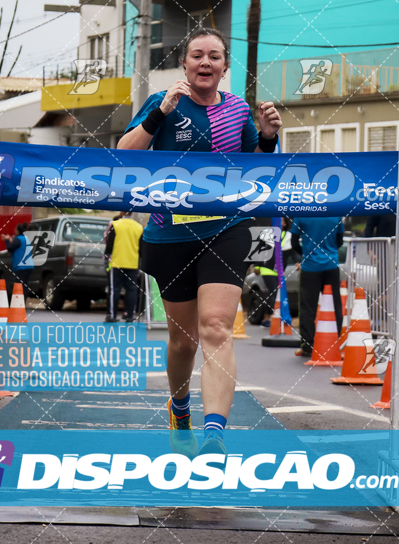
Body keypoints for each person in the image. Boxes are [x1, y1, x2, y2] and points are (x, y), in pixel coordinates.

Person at [118, 27, 282, 458]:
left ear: (225, 67)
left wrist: (266, 137)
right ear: (184, 64)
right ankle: (179, 406)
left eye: (214, 56)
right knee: (183, 341)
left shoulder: (236, 110)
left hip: (227, 229)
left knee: (215, 328)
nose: (205, 62)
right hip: (170, 234)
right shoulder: (164, 103)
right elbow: (124, 153)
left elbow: (257, 169)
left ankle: (214, 434)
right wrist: (158, 116)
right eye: (196, 56)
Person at [290, 216, 345, 357]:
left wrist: (306, 253)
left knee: (307, 307)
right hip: (331, 265)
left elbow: (294, 242)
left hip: (310, 267)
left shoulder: (301, 215)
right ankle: (333, 342)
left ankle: (307, 346)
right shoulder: (335, 215)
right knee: (335, 305)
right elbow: (340, 241)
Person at [104, 212, 143, 323]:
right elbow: (141, 249)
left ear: (121, 213)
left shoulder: (116, 225)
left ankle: (112, 315)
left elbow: (109, 246)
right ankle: (130, 316)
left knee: (114, 290)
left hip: (117, 262)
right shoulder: (139, 227)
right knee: (131, 290)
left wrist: (106, 261)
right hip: (132, 263)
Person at [1, 222, 34, 297]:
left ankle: (20, 302)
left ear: (18, 231)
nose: (14, 231)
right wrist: (10, 239)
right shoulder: (25, 239)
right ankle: (23, 302)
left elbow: (10, 248)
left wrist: (7, 240)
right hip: (29, 266)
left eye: (15, 229)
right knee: (24, 286)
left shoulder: (18, 239)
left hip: (21, 267)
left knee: (19, 286)